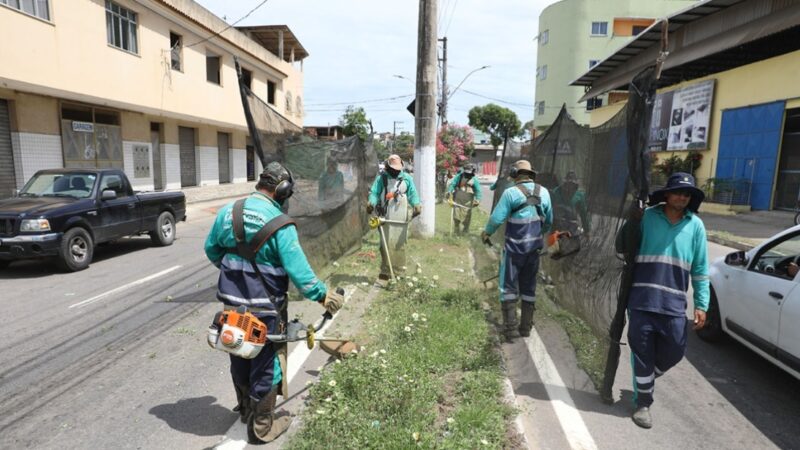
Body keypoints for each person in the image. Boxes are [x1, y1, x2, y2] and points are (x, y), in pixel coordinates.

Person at [204, 161, 344, 444]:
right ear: (283, 190)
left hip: (232, 305)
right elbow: (299, 272)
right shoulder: (280, 225)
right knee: (266, 362)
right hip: (265, 308)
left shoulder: (228, 212)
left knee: (238, 348)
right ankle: (262, 425)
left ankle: (245, 408)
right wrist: (323, 296)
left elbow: (212, 250)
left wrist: (235, 274)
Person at [623, 172, 709, 429]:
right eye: (678, 192)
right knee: (641, 352)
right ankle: (643, 402)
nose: (682, 197)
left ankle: (645, 378)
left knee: (674, 351)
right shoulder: (648, 217)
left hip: (673, 304)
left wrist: (702, 304)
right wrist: (631, 221)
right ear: (667, 194)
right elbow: (621, 245)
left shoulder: (696, 225)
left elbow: (701, 269)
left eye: (687, 194)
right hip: (641, 298)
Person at [481, 160, 552, 341]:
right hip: (533, 251)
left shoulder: (510, 193)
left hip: (514, 251)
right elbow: (549, 221)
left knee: (508, 287)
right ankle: (526, 327)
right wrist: (536, 235)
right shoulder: (544, 192)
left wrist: (486, 233)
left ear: (514, 173)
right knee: (529, 287)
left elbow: (496, 219)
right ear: (531, 174)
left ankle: (510, 329)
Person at [367, 154, 421, 281]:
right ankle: (386, 270)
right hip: (385, 215)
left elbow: (413, 194)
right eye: (393, 169)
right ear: (387, 167)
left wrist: (417, 204)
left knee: (399, 243)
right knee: (384, 244)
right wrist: (371, 202)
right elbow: (375, 193)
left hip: (401, 216)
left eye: (398, 169)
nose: (396, 171)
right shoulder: (382, 179)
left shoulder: (407, 178)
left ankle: (399, 271)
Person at [551, 171, 591, 236]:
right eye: (568, 183)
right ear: (564, 183)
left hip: (572, 228)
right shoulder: (556, 192)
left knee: (574, 244)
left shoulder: (579, 196)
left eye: (572, 184)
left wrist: (587, 230)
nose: (569, 186)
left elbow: (583, 214)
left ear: (575, 185)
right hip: (556, 225)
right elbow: (549, 208)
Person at [447, 163, 482, 234]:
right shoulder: (459, 177)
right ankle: (456, 229)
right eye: (466, 172)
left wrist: (478, 199)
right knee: (456, 215)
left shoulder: (474, 179)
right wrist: (449, 191)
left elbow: (478, 190)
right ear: (464, 170)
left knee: (466, 217)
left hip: (468, 202)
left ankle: (465, 230)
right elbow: (453, 184)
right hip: (458, 199)